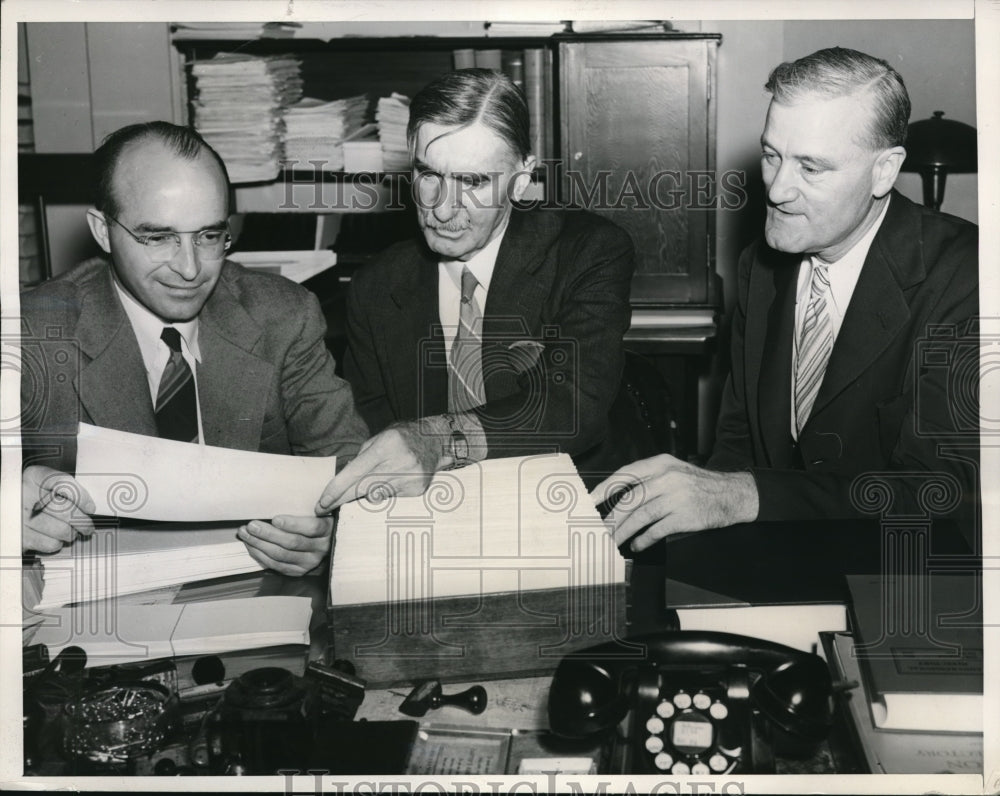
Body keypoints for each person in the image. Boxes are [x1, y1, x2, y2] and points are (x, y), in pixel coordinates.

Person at [596, 47, 978, 551]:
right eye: (772, 155)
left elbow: (941, 493)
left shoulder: (969, 275)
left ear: (885, 171)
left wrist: (739, 497)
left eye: (811, 168)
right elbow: (737, 440)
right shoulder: (762, 264)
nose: (776, 190)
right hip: (781, 557)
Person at [20, 122, 369, 574]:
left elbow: (352, 470)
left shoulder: (282, 316)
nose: (189, 269)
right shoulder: (33, 333)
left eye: (208, 236)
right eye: (159, 237)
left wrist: (333, 535)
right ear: (103, 232)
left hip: (252, 595)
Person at [316, 68, 635, 511]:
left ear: (521, 180)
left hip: (564, 503)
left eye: (474, 182)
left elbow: (572, 405)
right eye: (429, 175)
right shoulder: (377, 286)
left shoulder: (588, 252)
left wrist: (437, 439)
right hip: (427, 514)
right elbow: (366, 431)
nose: (443, 209)